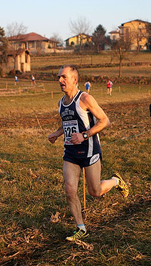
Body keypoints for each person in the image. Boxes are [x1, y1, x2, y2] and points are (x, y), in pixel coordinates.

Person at [48, 65, 129, 241]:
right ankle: (81, 228)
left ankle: (115, 181)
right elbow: (67, 123)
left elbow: (104, 121)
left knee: (95, 191)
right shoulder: (61, 103)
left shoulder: (85, 99)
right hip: (70, 152)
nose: (60, 81)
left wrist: (84, 135)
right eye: (59, 77)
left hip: (89, 150)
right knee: (70, 189)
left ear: (74, 79)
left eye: (64, 77)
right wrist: (57, 133)